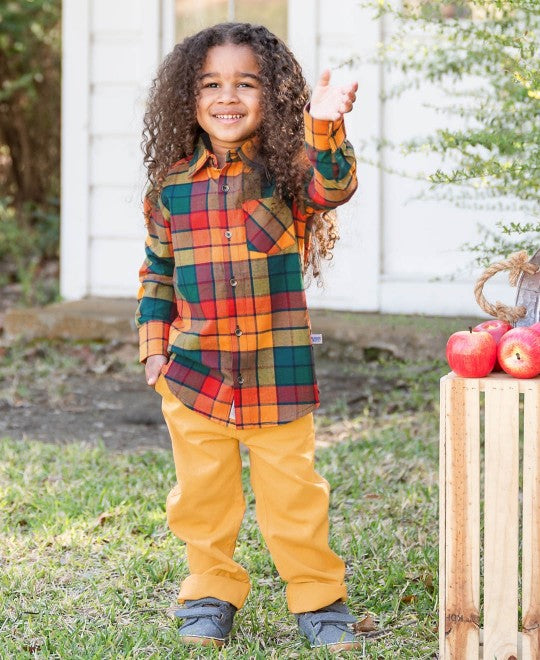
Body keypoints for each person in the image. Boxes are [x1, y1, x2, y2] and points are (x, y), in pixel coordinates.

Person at [135, 22, 360, 652]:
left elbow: (335, 183)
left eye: (246, 83)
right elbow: (157, 271)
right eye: (211, 83)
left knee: (294, 496)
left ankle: (317, 596)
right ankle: (210, 590)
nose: (227, 97)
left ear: (273, 96)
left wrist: (323, 123)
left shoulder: (289, 175)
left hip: (276, 373)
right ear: (189, 96)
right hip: (194, 374)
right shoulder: (171, 189)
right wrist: (155, 350)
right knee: (203, 498)